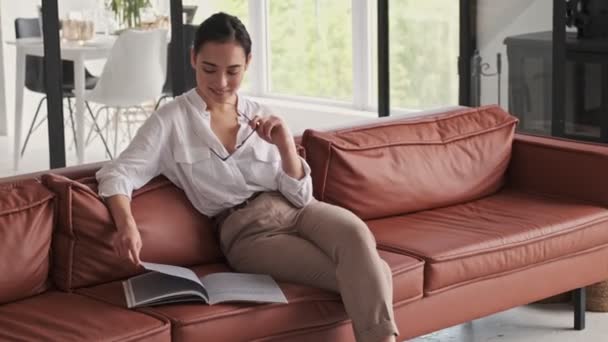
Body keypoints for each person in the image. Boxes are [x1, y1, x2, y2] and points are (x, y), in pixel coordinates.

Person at [96, 12, 398, 342]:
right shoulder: (170, 120)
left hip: (297, 210)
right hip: (249, 235)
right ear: (193, 58)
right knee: (373, 273)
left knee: (356, 233)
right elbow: (118, 173)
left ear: (248, 63)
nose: (221, 82)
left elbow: (301, 197)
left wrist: (285, 145)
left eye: (233, 71)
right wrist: (126, 223)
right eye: (209, 69)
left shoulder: (259, 113)